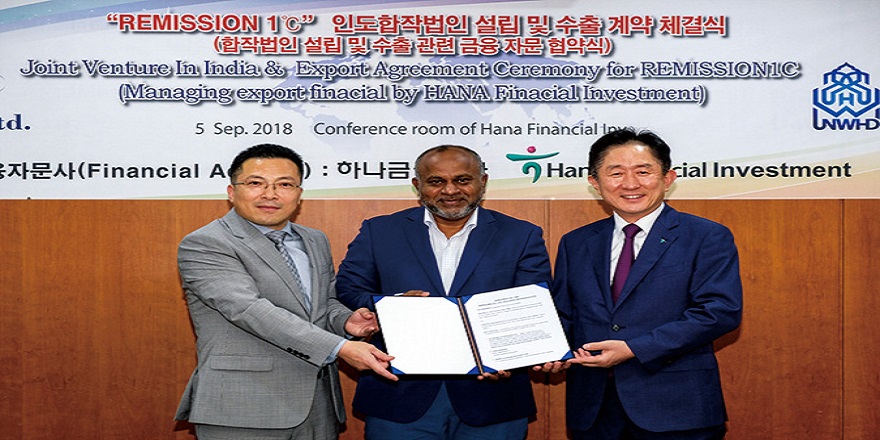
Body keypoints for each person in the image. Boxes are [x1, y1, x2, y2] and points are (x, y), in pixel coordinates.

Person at [174, 143, 398, 440]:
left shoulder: (314, 240)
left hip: (318, 407)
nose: (270, 194)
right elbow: (249, 309)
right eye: (255, 183)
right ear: (231, 192)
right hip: (243, 408)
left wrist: (346, 321)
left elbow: (324, 303)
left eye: (284, 184)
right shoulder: (206, 243)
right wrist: (340, 348)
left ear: (299, 193)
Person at [336, 145, 552, 440]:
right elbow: (347, 289)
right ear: (418, 185)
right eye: (436, 181)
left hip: (493, 395)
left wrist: (509, 357)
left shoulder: (521, 234)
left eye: (463, 180)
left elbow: (533, 305)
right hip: (399, 396)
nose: (450, 190)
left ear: (483, 182)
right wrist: (394, 304)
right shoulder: (380, 231)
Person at [539, 128, 742, 439]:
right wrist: (547, 351)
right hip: (594, 410)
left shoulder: (706, 236)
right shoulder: (576, 242)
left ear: (668, 178)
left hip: (677, 408)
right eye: (616, 173)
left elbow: (718, 312)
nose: (630, 183)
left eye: (643, 171)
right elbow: (565, 314)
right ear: (595, 182)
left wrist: (634, 348)